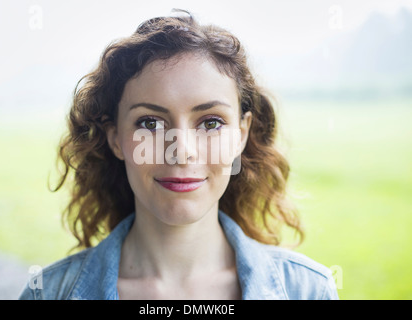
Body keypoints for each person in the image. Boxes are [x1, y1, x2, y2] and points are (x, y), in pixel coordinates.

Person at [19, 11, 338, 300]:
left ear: (241, 135)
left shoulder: (309, 291)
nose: (181, 151)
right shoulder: (47, 294)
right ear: (115, 137)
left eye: (211, 122)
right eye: (150, 123)